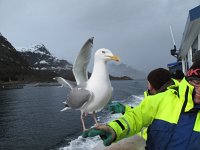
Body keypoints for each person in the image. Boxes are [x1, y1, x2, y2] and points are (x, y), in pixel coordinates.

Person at [82, 60, 200, 149]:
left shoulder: (156, 98)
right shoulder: (164, 99)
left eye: (149, 83)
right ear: (188, 81)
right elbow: (138, 117)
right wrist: (113, 129)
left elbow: (143, 124)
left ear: (153, 86)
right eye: (196, 82)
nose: (199, 89)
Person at [109, 68, 176, 140]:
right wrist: (125, 109)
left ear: (151, 86)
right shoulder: (175, 95)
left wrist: (113, 129)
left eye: (148, 82)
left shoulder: (155, 100)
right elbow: (142, 114)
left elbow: (137, 119)